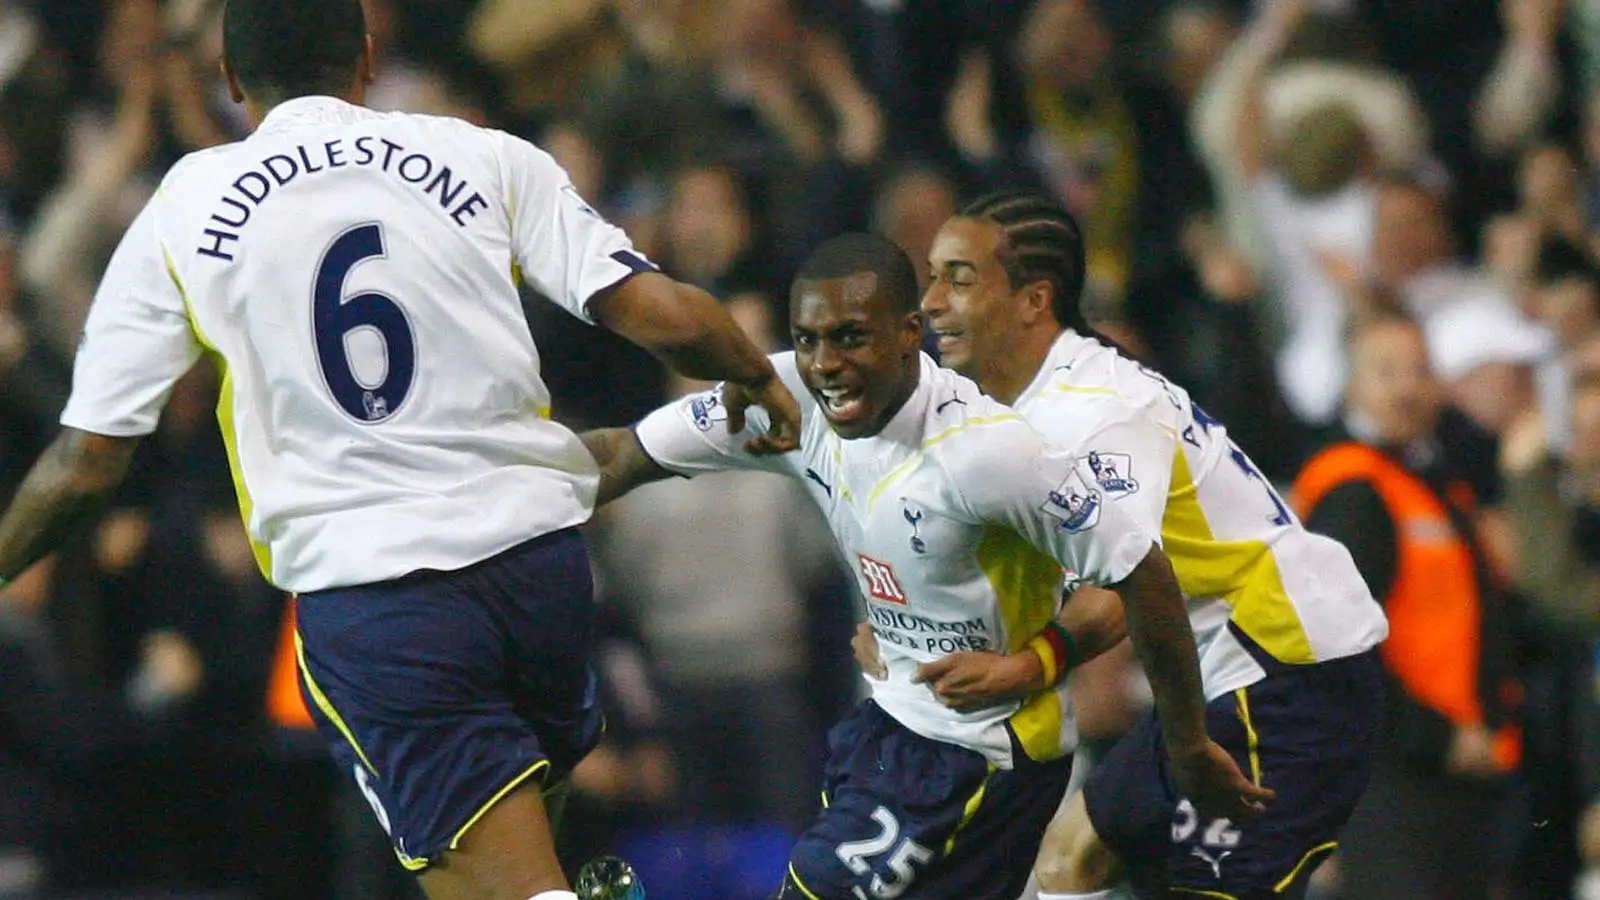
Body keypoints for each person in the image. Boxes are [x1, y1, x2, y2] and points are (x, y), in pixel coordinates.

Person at [0, 1, 803, 898]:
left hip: (386, 603)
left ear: (229, 81)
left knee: (514, 890)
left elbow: (86, 463)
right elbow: (661, 313)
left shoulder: (185, 205)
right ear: (368, 59)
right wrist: (760, 382)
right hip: (541, 580)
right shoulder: (482, 153)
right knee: (513, 871)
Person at [579, 232, 1270, 900]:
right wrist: (486, 493)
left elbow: (1141, 576)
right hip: (887, 730)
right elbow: (617, 458)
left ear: (911, 332)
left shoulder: (988, 455)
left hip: (983, 755)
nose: (825, 362)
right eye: (809, 338)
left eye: (851, 336)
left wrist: (1177, 741)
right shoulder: (785, 395)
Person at [857, 189, 1389, 899]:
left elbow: (1133, 581)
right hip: (1220, 673)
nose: (930, 303)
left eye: (959, 279)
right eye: (932, 276)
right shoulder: (1023, 409)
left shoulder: (1094, 414)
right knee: (1070, 860)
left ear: (1031, 301)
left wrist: (1030, 663)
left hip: (1285, 669)